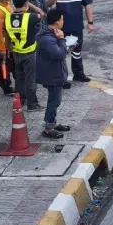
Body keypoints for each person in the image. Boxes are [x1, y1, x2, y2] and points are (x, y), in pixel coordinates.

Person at [47, 0, 94, 84]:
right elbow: (47, 4)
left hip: (76, 27)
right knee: (60, 54)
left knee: (77, 51)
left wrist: (90, 22)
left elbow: (88, 5)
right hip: (60, 30)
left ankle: (78, 74)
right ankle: (61, 78)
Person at [36, 8, 71, 139]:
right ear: (57, 22)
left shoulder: (51, 34)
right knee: (54, 101)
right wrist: (62, 40)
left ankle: (53, 123)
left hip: (55, 72)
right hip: (52, 75)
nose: (63, 21)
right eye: (62, 19)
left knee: (55, 100)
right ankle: (49, 127)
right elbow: (59, 54)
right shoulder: (47, 38)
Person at [6, 0, 40, 109]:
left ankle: (21, 101)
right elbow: (43, 14)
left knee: (19, 79)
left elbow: (7, 36)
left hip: (16, 53)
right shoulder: (31, 17)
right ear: (26, 3)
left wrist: (8, 50)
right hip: (29, 53)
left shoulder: (8, 17)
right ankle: (32, 104)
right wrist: (32, 6)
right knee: (30, 79)